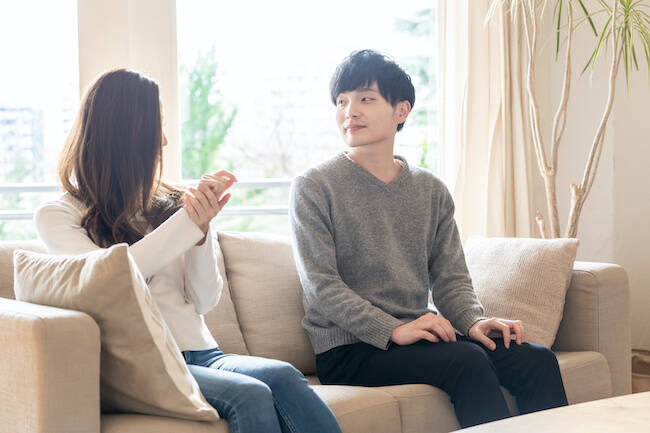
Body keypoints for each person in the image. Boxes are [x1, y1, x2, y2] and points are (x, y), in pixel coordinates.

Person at [35, 68, 342, 433]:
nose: (164, 141)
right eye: (157, 127)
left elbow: (204, 300)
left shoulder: (168, 206)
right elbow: (109, 277)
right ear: (124, 135)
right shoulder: (58, 216)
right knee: (248, 394)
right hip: (139, 368)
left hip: (203, 353)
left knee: (283, 375)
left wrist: (199, 235)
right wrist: (186, 224)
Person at [289, 50, 568, 429]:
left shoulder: (430, 189)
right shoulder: (314, 186)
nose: (349, 112)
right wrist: (392, 329)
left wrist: (473, 322)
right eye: (341, 101)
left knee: (534, 358)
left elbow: (451, 278)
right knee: (465, 360)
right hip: (349, 349)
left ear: (401, 110)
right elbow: (321, 286)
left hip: (417, 337)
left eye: (365, 99)